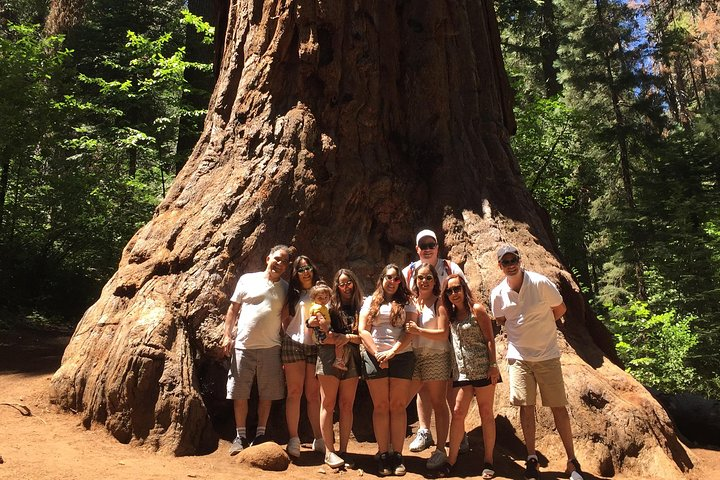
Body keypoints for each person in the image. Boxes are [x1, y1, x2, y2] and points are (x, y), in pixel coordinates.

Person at [490, 244, 584, 480]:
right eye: (506, 262)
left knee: (558, 406)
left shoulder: (540, 283)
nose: (511, 265)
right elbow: (501, 319)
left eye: (514, 261)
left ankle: (572, 461)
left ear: (520, 261)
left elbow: (560, 309)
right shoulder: (498, 294)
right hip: (519, 357)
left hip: (547, 354)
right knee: (526, 406)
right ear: (500, 266)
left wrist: (541, 327)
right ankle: (531, 458)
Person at [402, 229, 468, 455]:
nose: (428, 249)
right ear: (417, 249)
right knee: (423, 388)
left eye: (432, 244)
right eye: (424, 245)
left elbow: (464, 298)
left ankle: (458, 432)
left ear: (438, 247)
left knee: (448, 387)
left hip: (448, 335)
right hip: (418, 342)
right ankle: (424, 430)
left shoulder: (451, 268)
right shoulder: (409, 271)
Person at [222, 244, 291, 455]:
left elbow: (286, 319)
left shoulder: (286, 288)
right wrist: (227, 335)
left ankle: (261, 433)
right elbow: (233, 309)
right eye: (277, 258)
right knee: (240, 392)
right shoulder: (247, 280)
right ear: (268, 258)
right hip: (243, 345)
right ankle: (240, 435)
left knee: (266, 393)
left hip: (271, 346)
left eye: (284, 262)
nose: (279, 263)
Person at [438, 274, 500, 478]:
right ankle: (451, 459)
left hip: (483, 368)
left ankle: (488, 460)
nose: (454, 293)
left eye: (457, 289)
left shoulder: (477, 310)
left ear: (464, 289)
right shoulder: (452, 315)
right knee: (457, 412)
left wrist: (493, 365)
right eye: (449, 291)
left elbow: (490, 339)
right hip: (463, 372)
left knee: (486, 413)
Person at [359, 264, 418, 477]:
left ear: (400, 281)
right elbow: (362, 329)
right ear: (382, 279)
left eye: (396, 278)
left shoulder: (408, 302)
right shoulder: (370, 301)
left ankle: (398, 455)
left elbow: (410, 331)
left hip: (401, 355)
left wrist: (392, 352)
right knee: (382, 406)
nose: (392, 282)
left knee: (398, 406)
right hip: (375, 357)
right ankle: (383, 454)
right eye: (388, 278)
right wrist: (377, 353)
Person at [314, 269, 365, 469]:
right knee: (327, 403)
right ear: (336, 286)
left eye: (349, 283)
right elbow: (320, 336)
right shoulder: (328, 306)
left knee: (346, 405)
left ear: (354, 283)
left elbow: (365, 336)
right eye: (342, 284)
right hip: (328, 356)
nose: (346, 287)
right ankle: (329, 451)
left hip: (352, 357)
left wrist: (347, 338)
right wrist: (338, 338)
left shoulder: (361, 306)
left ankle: (344, 450)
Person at [403, 263, 452, 471]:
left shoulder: (439, 302)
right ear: (415, 279)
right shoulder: (411, 302)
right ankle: (394, 447)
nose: (424, 281)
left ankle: (441, 450)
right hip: (415, 356)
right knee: (402, 400)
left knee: (439, 402)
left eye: (428, 278)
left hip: (437, 356)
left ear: (435, 281)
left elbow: (442, 333)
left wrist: (418, 330)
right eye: (421, 278)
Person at [282, 255, 324, 458]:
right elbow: (285, 318)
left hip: (316, 345)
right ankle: (294, 438)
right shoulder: (292, 294)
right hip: (294, 343)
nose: (305, 272)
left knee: (313, 394)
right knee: (294, 392)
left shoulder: (322, 290)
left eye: (308, 267)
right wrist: (290, 332)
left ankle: (319, 438)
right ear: (296, 274)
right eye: (300, 269)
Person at [308, 282, 349, 371]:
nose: (323, 300)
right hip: (322, 333)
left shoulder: (323, 307)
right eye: (320, 298)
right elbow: (321, 321)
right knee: (340, 341)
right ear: (314, 298)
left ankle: (339, 360)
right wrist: (328, 331)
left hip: (323, 332)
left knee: (341, 339)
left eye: (325, 297)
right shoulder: (317, 308)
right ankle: (338, 360)